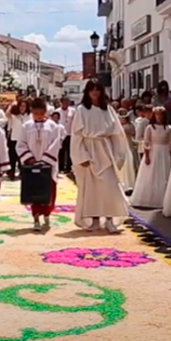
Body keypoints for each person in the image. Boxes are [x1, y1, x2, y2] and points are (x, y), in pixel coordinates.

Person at [70, 79, 129, 233]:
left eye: (97, 89)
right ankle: (94, 219)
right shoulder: (81, 110)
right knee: (92, 189)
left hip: (106, 151)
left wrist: (118, 154)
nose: (95, 92)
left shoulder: (108, 110)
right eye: (92, 89)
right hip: (90, 151)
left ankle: (110, 219)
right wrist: (81, 156)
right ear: (87, 92)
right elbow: (76, 135)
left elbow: (117, 133)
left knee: (109, 187)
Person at [18, 98, 62, 231]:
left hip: (48, 165)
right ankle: (36, 217)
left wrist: (45, 160)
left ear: (44, 111)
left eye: (40, 112)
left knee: (49, 190)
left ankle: (47, 214)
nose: (38, 115)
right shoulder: (26, 126)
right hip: (32, 164)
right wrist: (31, 160)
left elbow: (56, 143)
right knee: (34, 191)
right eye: (35, 113)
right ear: (31, 111)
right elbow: (20, 144)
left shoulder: (53, 126)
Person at [130, 107, 171, 209]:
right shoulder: (150, 128)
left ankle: (163, 199)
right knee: (150, 175)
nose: (159, 117)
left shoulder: (168, 128)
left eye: (161, 115)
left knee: (164, 175)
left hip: (165, 153)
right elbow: (147, 142)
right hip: (153, 152)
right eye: (157, 115)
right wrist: (147, 155)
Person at [55, 97, 76, 173]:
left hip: (70, 133)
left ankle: (68, 167)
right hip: (60, 134)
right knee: (61, 151)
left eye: (67, 102)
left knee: (70, 151)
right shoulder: (57, 111)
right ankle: (61, 167)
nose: (66, 104)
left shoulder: (73, 111)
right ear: (61, 103)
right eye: (64, 102)